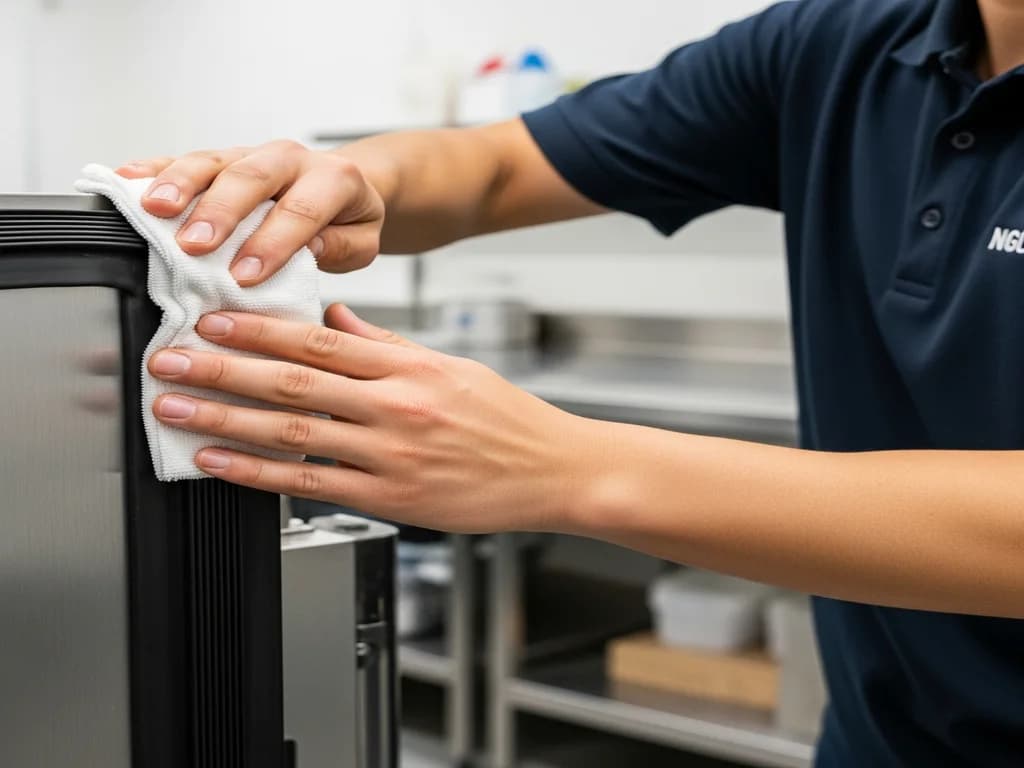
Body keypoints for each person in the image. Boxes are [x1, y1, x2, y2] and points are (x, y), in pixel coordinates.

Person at [118, 0, 1024, 763]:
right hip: (884, 736)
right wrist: (351, 180)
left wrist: (566, 468)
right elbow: (503, 166)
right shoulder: (840, 45)